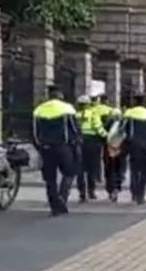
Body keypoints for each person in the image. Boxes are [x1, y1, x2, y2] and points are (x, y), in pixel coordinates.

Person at [31, 85, 79, 216]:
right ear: (60, 95)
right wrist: (76, 142)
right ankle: (62, 198)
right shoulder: (67, 108)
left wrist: (40, 146)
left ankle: (54, 207)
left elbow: (35, 132)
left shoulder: (39, 110)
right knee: (69, 173)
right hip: (63, 147)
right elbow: (74, 128)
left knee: (50, 179)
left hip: (46, 148)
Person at [122, 92, 146, 204]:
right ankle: (141, 195)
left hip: (133, 146)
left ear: (134, 101)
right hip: (145, 147)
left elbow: (123, 130)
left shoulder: (129, 113)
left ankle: (134, 193)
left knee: (134, 170)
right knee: (144, 172)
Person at [75, 93, 106, 202]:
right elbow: (99, 128)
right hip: (92, 143)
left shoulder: (75, 115)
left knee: (80, 169)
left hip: (79, 143)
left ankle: (82, 193)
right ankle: (91, 191)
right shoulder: (93, 114)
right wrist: (106, 137)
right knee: (92, 168)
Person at [98, 91, 125, 202]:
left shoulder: (106, 123)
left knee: (109, 170)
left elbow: (102, 134)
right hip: (120, 150)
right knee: (119, 169)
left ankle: (110, 189)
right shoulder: (122, 124)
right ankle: (117, 187)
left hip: (107, 150)